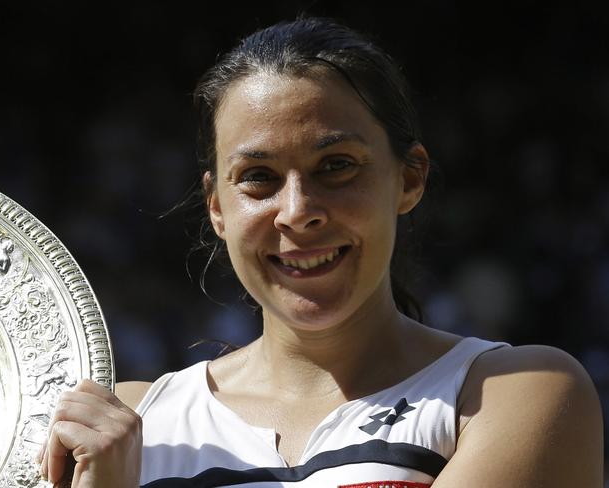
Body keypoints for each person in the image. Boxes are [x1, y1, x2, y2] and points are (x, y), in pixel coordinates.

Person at [37, 16, 603, 487]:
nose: (297, 209)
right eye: (257, 177)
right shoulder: (127, 419)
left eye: (336, 166)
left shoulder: (516, 391)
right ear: (217, 206)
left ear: (409, 179)